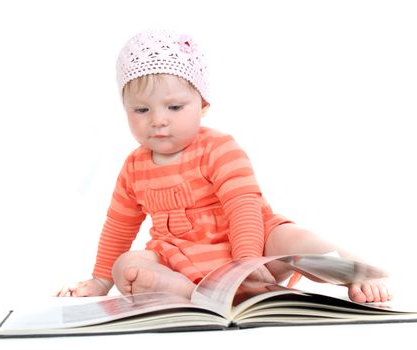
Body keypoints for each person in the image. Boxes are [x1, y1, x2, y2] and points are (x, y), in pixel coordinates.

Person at [56, 29, 391, 303]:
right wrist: (101, 279)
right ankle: (187, 293)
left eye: (174, 107)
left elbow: (242, 205)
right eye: (141, 111)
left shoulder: (219, 148)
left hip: (252, 248)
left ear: (202, 104)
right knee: (126, 266)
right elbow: (119, 224)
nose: (158, 121)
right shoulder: (134, 167)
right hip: (182, 259)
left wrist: (245, 261)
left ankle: (354, 272)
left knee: (294, 237)